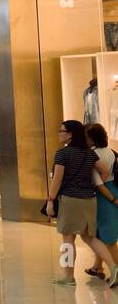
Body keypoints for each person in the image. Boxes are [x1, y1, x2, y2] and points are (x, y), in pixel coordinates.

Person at [46, 119, 118, 285]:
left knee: (68, 240)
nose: (59, 133)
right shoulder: (89, 153)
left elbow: (57, 180)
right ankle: (114, 267)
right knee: (89, 237)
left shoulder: (62, 154)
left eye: (61, 131)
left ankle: (68, 276)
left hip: (70, 200)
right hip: (89, 199)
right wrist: (90, 184)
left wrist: (50, 200)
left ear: (70, 134)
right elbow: (104, 171)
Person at [86, 123, 118, 279]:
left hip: (103, 195)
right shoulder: (111, 152)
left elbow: (98, 183)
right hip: (113, 189)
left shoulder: (91, 155)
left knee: (108, 237)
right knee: (101, 233)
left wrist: (113, 200)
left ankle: (116, 271)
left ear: (91, 138)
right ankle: (97, 267)